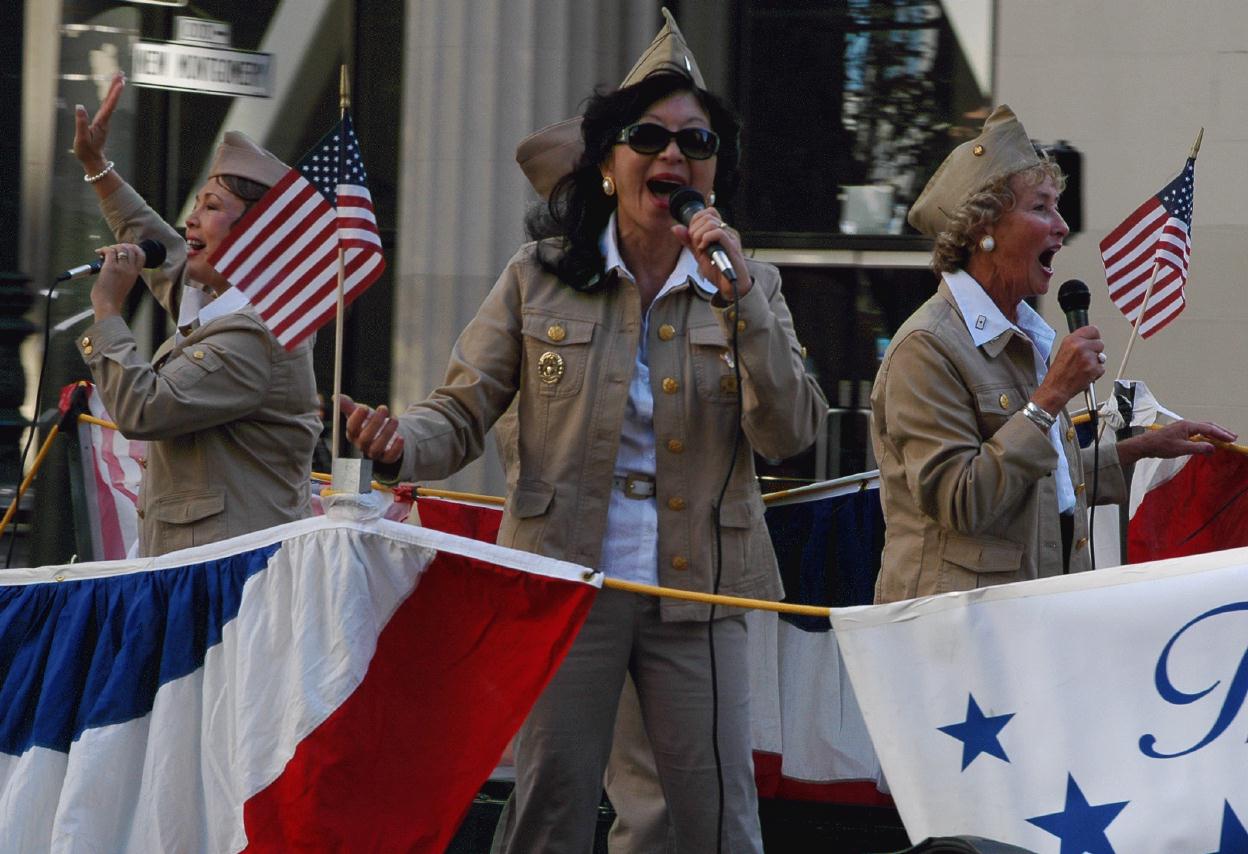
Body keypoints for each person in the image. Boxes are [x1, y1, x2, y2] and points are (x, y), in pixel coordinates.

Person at [340, 10, 826, 850]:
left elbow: (791, 434)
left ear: (716, 173)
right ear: (608, 162)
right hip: (565, 579)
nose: (674, 156)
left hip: (698, 591)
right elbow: (461, 408)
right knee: (553, 805)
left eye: (697, 143)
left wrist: (741, 297)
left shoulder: (752, 286)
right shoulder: (538, 280)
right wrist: (398, 444)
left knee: (709, 822)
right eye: (650, 136)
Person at [870, 105, 1236, 602]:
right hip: (958, 635)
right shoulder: (927, 347)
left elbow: (1043, 482)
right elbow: (961, 500)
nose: (1062, 227)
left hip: (1032, 618)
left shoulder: (1027, 335)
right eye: (1041, 208)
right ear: (984, 230)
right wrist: (1049, 398)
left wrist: (1139, 452)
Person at [72, 73, 321, 557]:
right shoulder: (217, 303)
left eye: (211, 207)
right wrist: (96, 165)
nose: (192, 218)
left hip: (231, 580)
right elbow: (159, 245)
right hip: (197, 570)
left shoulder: (255, 335)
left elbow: (143, 409)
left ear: (256, 236)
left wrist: (106, 309)